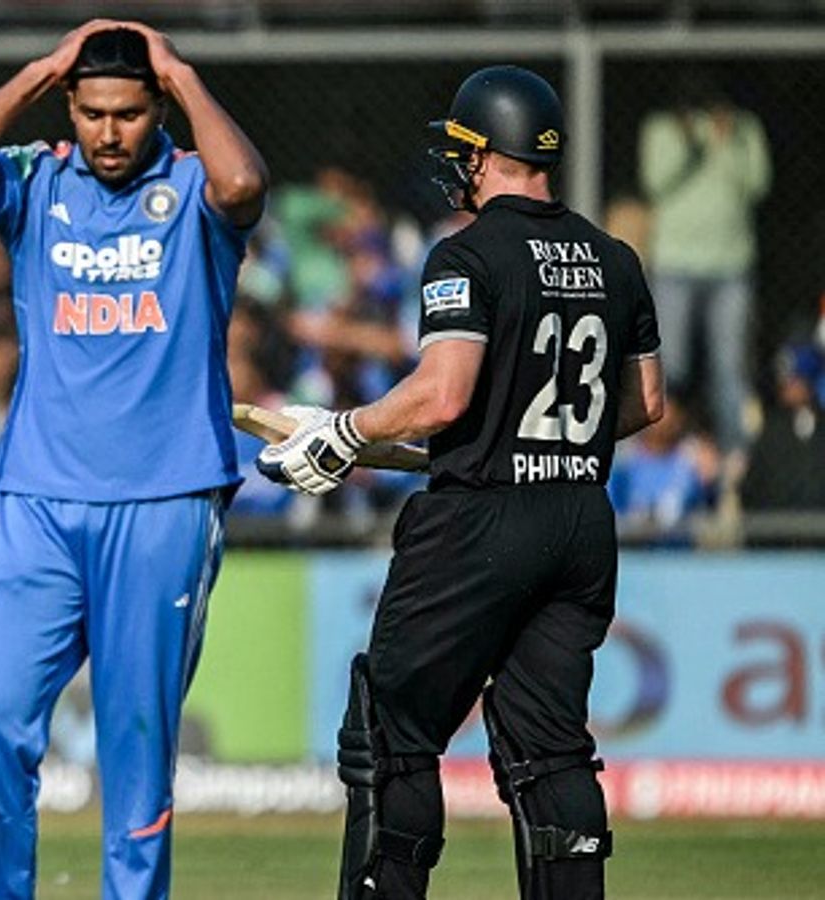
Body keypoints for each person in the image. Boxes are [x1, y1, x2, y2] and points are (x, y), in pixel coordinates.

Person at [257, 66, 664, 900]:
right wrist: (516, 435)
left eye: (462, 149)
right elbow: (644, 404)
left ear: (486, 152)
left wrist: (344, 432)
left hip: (481, 524)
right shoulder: (615, 259)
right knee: (550, 749)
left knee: (391, 734)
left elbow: (442, 393)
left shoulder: (465, 253)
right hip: (581, 521)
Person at [0, 20, 266, 899]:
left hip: (165, 498)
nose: (111, 133)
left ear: (159, 112)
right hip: (34, 499)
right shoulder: (35, 181)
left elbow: (244, 182)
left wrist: (180, 71)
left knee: (136, 755)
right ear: (70, 106)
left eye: (131, 113)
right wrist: (36, 70)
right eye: (95, 112)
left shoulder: (191, 189)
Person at [638, 73, 769, 466]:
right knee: (670, 367)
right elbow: (655, 183)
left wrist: (726, 142)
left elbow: (756, 185)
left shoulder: (744, 129)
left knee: (728, 370)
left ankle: (734, 461)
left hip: (730, 265)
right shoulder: (662, 128)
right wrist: (690, 143)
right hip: (676, 263)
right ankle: (659, 454)